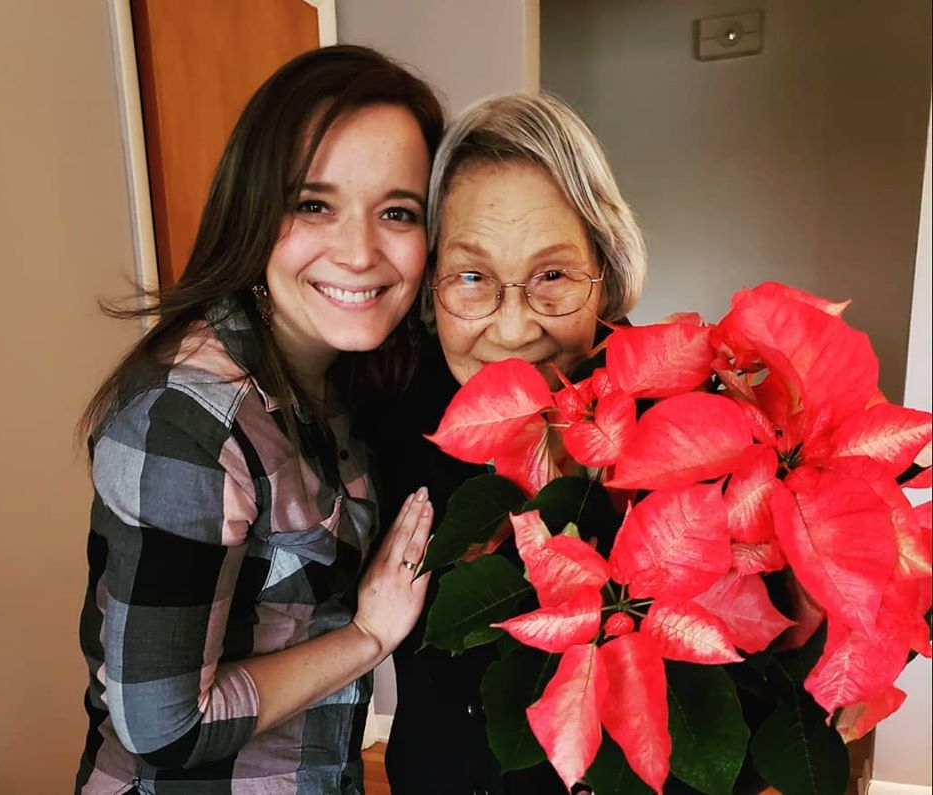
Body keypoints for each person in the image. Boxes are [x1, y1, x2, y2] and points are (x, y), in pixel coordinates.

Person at [74, 45, 444, 794]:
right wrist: (367, 636)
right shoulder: (190, 421)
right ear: (252, 208)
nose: (360, 252)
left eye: (397, 212)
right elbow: (163, 726)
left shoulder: (344, 378)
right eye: (314, 204)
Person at [368, 93, 646, 795]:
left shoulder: (672, 418)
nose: (516, 330)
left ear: (605, 273)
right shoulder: (385, 419)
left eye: (552, 276)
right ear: (429, 283)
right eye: (472, 277)